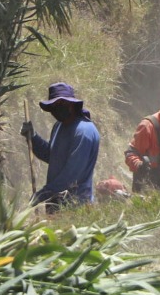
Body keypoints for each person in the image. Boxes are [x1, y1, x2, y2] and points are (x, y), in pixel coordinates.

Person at [21, 82, 100, 210]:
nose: (57, 108)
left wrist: (44, 193)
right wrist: (33, 137)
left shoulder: (84, 131)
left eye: (62, 104)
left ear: (72, 104)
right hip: (55, 204)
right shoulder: (59, 126)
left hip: (75, 206)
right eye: (54, 105)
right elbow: (53, 157)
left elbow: (72, 174)